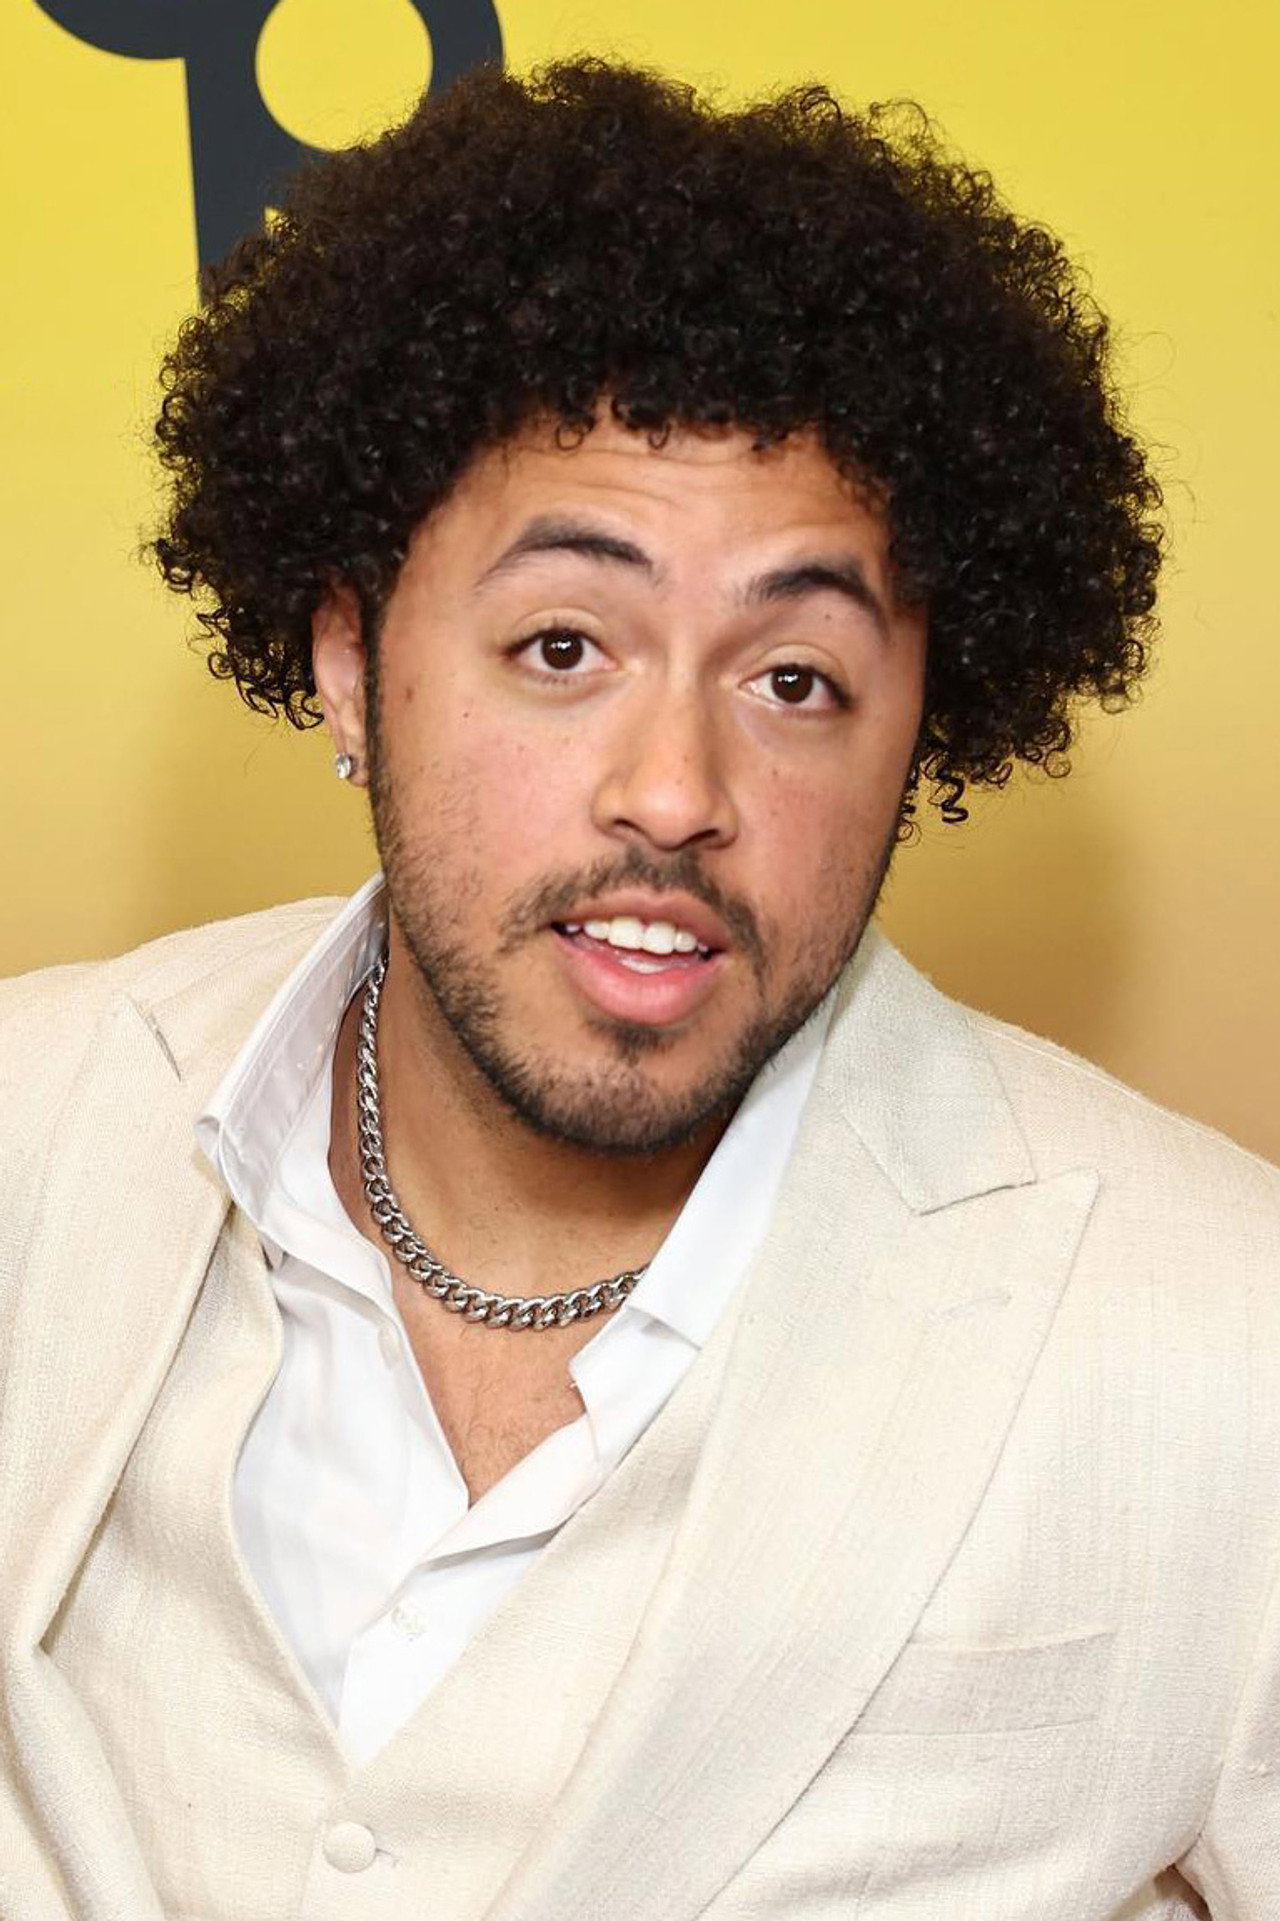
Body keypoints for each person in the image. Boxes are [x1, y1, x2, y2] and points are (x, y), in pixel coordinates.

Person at [2, 55, 1277, 1921]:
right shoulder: (29, 1130)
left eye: (796, 680)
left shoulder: (1218, 1331)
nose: (676, 791)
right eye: (563, 645)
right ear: (350, 661)